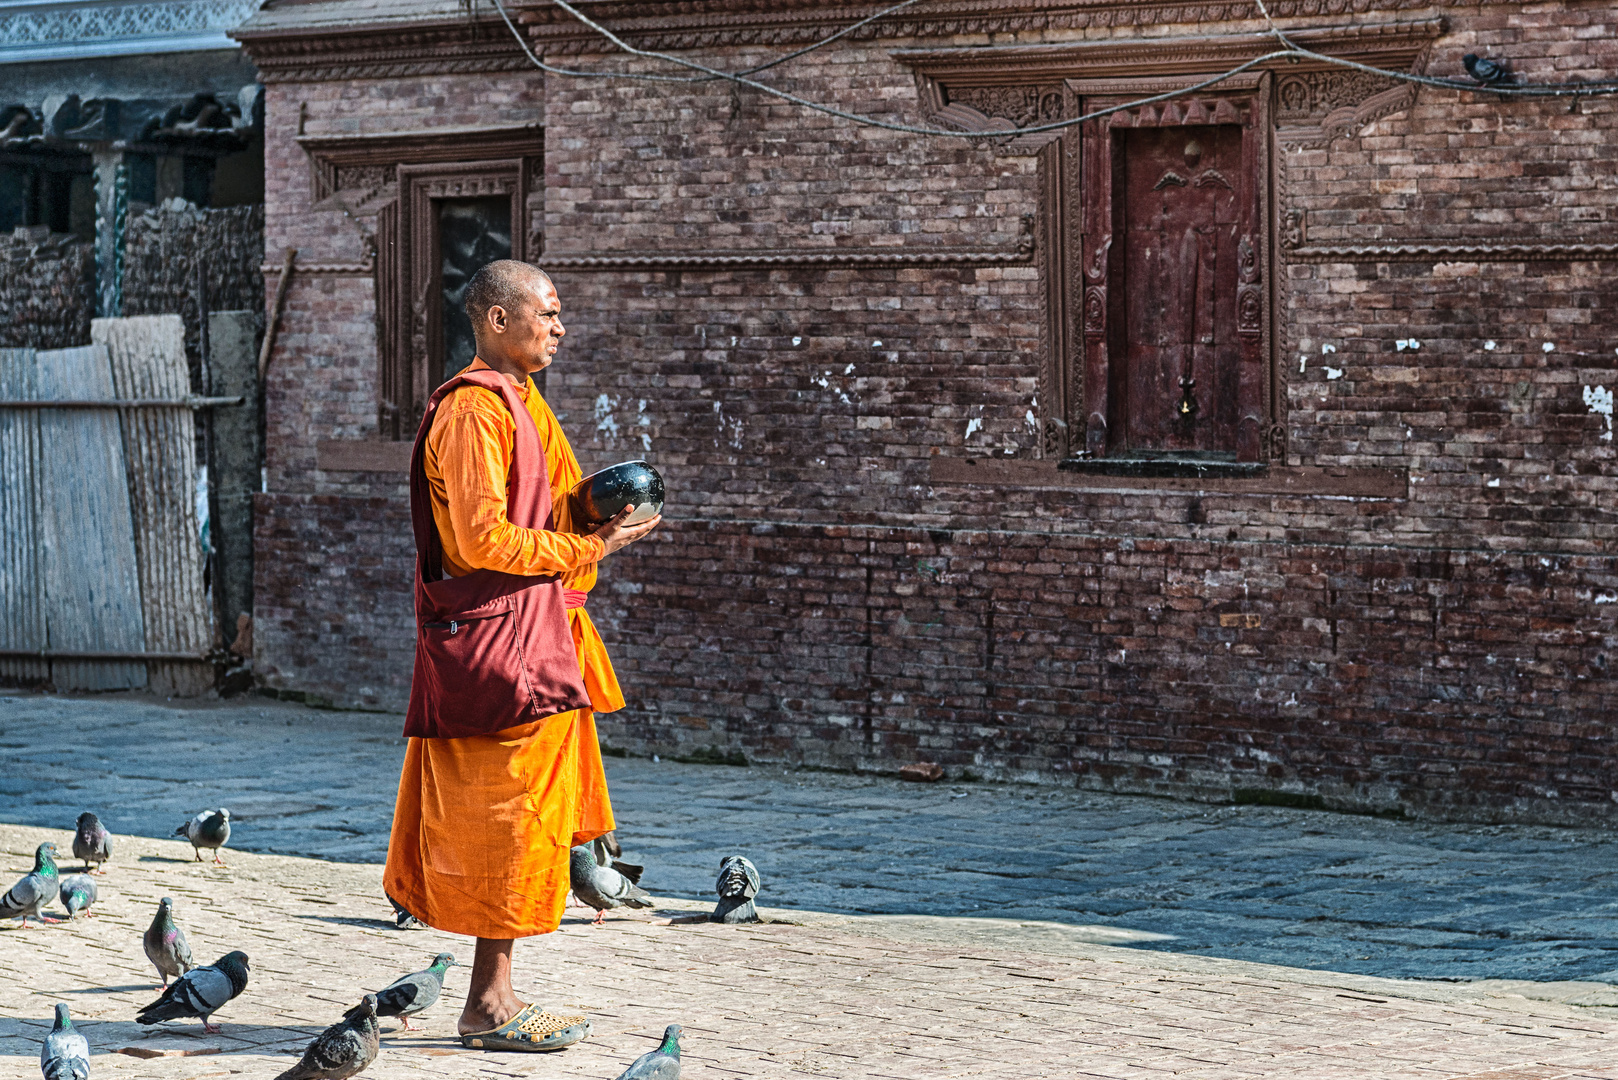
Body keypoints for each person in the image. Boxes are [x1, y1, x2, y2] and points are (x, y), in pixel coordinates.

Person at [383, 260, 659, 1052]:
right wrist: (587, 543)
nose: (560, 326)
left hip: (531, 638)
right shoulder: (474, 411)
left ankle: (492, 997)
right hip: (498, 652)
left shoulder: (525, 403)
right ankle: (489, 1006)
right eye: (547, 311)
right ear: (497, 321)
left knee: (527, 823)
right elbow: (480, 540)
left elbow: (540, 506)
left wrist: (601, 511)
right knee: (505, 821)